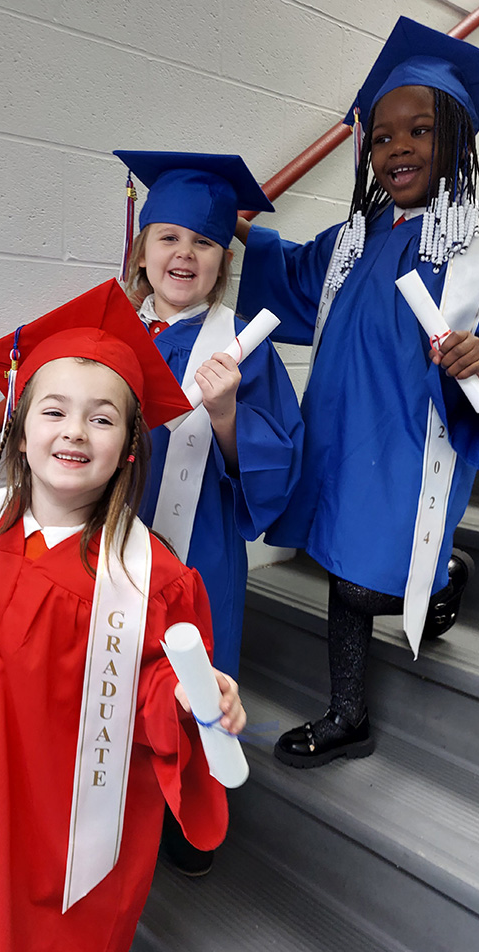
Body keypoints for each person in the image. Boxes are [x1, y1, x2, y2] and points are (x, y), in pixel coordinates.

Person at [0, 278, 246, 952]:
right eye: (54, 411)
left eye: (103, 418)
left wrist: (186, 699)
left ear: (130, 447)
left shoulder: (153, 579)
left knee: (50, 947)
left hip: (63, 819)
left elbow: (154, 684)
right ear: (20, 432)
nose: (76, 431)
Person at [235, 17, 479, 769]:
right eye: (381, 137)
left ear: (458, 142)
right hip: (345, 429)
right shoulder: (355, 237)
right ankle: (349, 714)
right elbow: (295, 282)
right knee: (343, 573)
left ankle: (443, 577)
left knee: (369, 579)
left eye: (419, 130)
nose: (396, 148)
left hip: (413, 437)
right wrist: (236, 231)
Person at [113, 150, 304, 681]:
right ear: (143, 247)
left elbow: (277, 465)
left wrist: (225, 415)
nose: (185, 253)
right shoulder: (109, 331)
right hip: (107, 537)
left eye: (204, 242)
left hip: (201, 546)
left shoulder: (244, 347)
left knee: (191, 688)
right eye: (169, 237)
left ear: (223, 260)